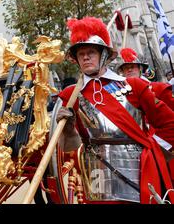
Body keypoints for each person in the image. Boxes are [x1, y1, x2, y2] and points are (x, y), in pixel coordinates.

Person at [56, 17, 174, 204]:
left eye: (91, 52)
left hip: (137, 168)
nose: (85, 57)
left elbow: (169, 124)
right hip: (98, 175)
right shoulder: (71, 96)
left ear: (103, 55)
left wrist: (155, 154)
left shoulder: (134, 86)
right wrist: (68, 130)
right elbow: (70, 147)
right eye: (81, 54)